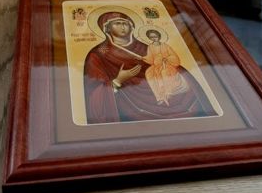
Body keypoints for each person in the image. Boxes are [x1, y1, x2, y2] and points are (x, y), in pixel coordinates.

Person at [83, 12, 216, 124]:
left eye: (126, 23)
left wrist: (173, 70)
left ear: (132, 27)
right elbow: (93, 89)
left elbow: (170, 63)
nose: (123, 26)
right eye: (117, 23)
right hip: (129, 99)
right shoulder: (98, 54)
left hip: (163, 85)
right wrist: (118, 80)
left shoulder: (149, 47)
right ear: (106, 29)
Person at [142, 29, 195, 106]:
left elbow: (175, 57)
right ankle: (159, 96)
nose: (154, 38)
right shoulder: (150, 47)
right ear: (149, 38)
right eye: (151, 37)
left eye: (155, 36)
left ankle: (168, 93)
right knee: (148, 72)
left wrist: (166, 58)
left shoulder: (165, 46)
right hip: (157, 66)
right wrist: (143, 58)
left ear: (159, 36)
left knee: (164, 72)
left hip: (168, 65)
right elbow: (151, 59)